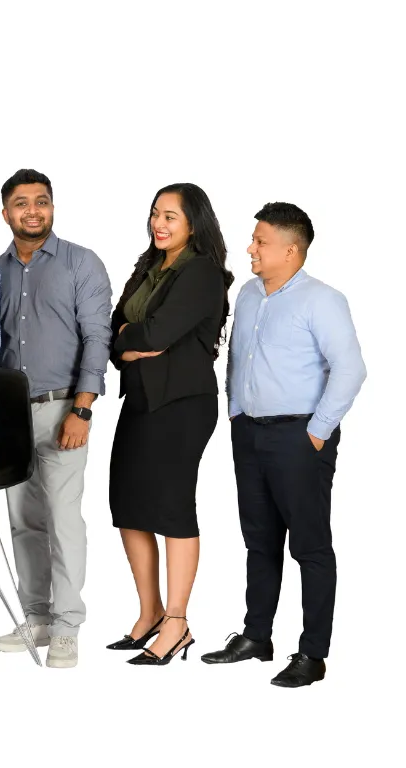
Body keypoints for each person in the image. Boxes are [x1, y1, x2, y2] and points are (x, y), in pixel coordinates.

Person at [202, 203, 366, 687]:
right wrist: (236, 412)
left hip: (299, 437)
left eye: (260, 241)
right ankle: (257, 637)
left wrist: (317, 431)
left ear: (291, 250)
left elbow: (351, 369)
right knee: (259, 540)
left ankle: (312, 654)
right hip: (249, 433)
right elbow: (237, 359)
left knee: (310, 547)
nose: (250, 248)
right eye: (253, 239)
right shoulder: (250, 294)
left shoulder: (323, 300)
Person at [107, 183, 233, 666]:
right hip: (139, 400)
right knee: (128, 505)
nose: (159, 223)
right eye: (156, 214)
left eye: (171, 217)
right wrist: (127, 341)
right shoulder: (149, 266)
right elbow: (114, 333)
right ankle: (150, 613)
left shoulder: (199, 272)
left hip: (181, 403)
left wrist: (133, 339)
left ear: (193, 223)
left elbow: (157, 334)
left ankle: (177, 622)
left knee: (172, 506)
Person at [0, 169, 112, 669]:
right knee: (23, 522)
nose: (32, 211)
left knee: (64, 523)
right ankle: (35, 616)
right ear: (6, 213)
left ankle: (66, 626)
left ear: (53, 208)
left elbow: (97, 339)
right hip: (9, 416)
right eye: (22, 203)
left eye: (41, 201)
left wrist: (82, 408)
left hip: (65, 409)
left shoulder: (80, 263)